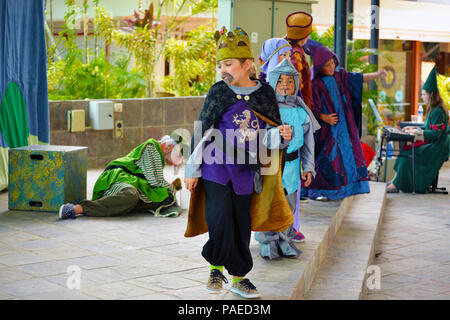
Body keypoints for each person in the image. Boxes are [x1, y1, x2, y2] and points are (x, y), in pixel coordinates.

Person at [183, 27, 294, 299]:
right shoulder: (218, 92)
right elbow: (202, 132)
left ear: (247, 65)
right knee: (219, 218)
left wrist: (280, 136)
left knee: (241, 223)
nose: (223, 70)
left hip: (247, 170)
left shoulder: (265, 95)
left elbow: (268, 136)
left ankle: (240, 278)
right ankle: (215, 268)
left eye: (229, 64)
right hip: (215, 166)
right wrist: (191, 169)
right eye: (220, 65)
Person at [257, 37, 320, 242]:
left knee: (290, 199)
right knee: (269, 200)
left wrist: (308, 166)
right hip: (270, 163)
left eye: (288, 56)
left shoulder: (298, 106)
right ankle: (269, 239)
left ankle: (289, 232)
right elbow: (257, 134)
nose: (286, 60)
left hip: (293, 164)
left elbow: (308, 138)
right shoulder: (261, 93)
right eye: (281, 55)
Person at [307, 45, 387, 201]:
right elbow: (308, 106)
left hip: (344, 127)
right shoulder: (314, 84)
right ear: (318, 66)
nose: (331, 67)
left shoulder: (340, 77)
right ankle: (320, 191)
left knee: (346, 159)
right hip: (325, 130)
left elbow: (360, 78)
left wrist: (378, 74)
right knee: (325, 158)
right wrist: (323, 117)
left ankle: (344, 189)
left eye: (332, 63)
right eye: (326, 65)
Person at [58, 135, 184, 219]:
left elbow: (154, 184)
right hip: (117, 178)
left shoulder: (159, 157)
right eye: (177, 155)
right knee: (131, 194)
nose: (177, 160)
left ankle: (117, 206)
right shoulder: (152, 147)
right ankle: (78, 208)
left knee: (163, 198)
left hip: (134, 184)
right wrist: (172, 188)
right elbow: (155, 182)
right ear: (169, 147)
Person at [387, 66, 449, 193]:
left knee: (408, 153)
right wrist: (414, 127)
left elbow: (435, 134)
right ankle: (396, 181)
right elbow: (427, 127)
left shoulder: (438, 111)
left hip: (436, 147)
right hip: (434, 144)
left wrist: (417, 132)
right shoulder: (433, 109)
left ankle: (397, 184)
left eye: (424, 94)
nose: (422, 97)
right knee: (405, 151)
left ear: (431, 95)